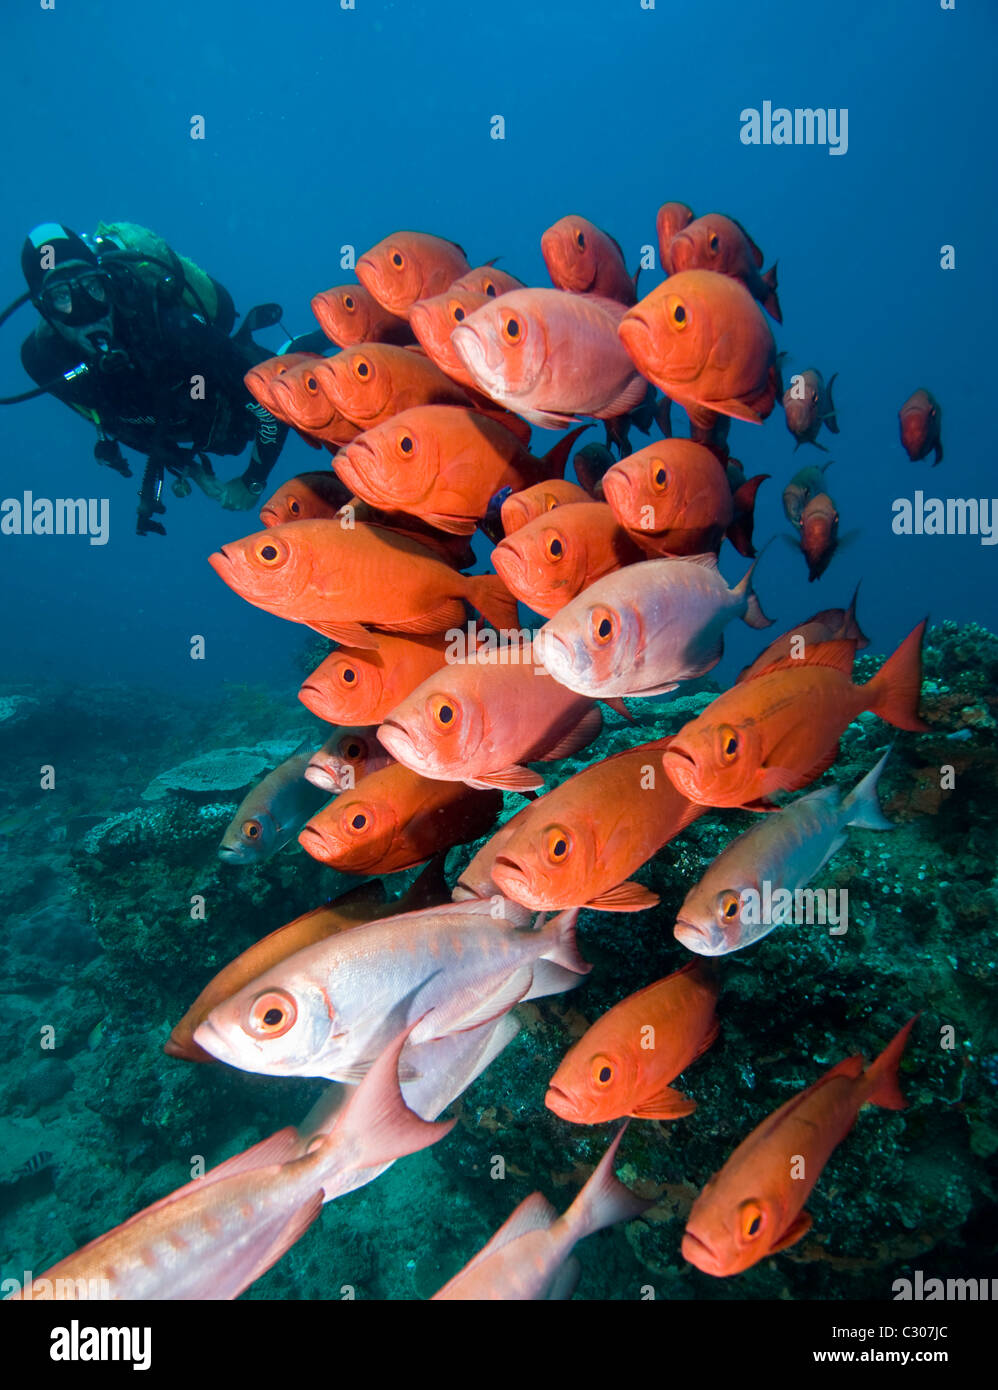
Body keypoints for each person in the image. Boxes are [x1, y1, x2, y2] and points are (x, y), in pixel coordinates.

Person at [13, 222, 290, 535]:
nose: (85, 308)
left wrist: (253, 481)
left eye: (92, 286)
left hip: (228, 406)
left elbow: (270, 404)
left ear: (107, 284)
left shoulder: (167, 325)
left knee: (295, 381)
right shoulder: (43, 362)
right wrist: (190, 468)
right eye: (61, 295)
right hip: (185, 429)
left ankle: (297, 349)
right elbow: (110, 423)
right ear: (43, 309)